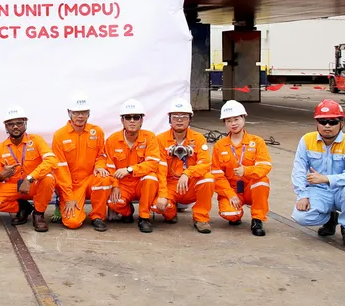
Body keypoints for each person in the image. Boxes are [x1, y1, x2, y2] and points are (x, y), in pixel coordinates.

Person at [155, 98, 240, 234]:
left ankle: (201, 218)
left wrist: (187, 173)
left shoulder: (198, 138)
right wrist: (163, 195)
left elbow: (205, 163)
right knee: (157, 206)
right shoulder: (160, 140)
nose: (179, 120)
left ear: (190, 119)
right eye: (175, 116)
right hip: (171, 185)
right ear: (170, 119)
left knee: (208, 178)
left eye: (184, 116)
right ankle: (171, 212)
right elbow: (160, 170)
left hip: (191, 184)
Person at [291, 99, 345, 248]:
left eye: (332, 122)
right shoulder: (306, 140)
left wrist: (326, 179)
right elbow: (298, 170)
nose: (327, 126)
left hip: (342, 191)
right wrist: (302, 195)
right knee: (300, 217)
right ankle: (330, 219)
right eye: (323, 121)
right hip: (319, 191)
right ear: (317, 123)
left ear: (341, 123)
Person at [0, 106, 58, 232]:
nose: (15, 127)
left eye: (19, 123)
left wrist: (30, 178)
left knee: (48, 178)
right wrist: (1, 176)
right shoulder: (0, 148)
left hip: (33, 183)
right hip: (13, 187)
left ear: (25, 123)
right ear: (6, 127)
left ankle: (38, 214)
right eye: (11, 124)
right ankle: (22, 208)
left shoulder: (36, 140)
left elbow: (52, 161)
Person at [52, 94, 113, 231]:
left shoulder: (97, 132)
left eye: (84, 112)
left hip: (90, 180)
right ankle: (68, 208)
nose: (80, 116)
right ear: (69, 113)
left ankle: (98, 216)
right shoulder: (60, 135)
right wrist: (68, 196)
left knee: (104, 178)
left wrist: (100, 166)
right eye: (76, 112)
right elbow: (60, 169)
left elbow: (102, 155)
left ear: (89, 113)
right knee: (72, 223)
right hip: (71, 185)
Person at [212, 100, 272, 236]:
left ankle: (257, 219)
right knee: (229, 214)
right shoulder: (219, 145)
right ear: (224, 123)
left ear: (244, 118)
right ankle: (236, 215)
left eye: (236, 119)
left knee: (262, 181)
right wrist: (230, 194)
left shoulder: (257, 142)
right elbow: (217, 174)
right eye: (228, 121)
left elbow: (265, 166)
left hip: (251, 187)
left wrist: (246, 171)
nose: (233, 123)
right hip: (232, 188)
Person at [104, 99, 161, 233]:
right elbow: (109, 167)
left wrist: (130, 170)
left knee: (151, 178)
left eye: (136, 117)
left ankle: (144, 217)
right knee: (113, 202)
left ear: (141, 120)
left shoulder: (150, 137)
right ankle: (128, 211)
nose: (132, 121)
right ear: (122, 120)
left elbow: (153, 163)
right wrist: (115, 186)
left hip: (141, 182)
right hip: (123, 185)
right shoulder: (112, 140)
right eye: (128, 117)